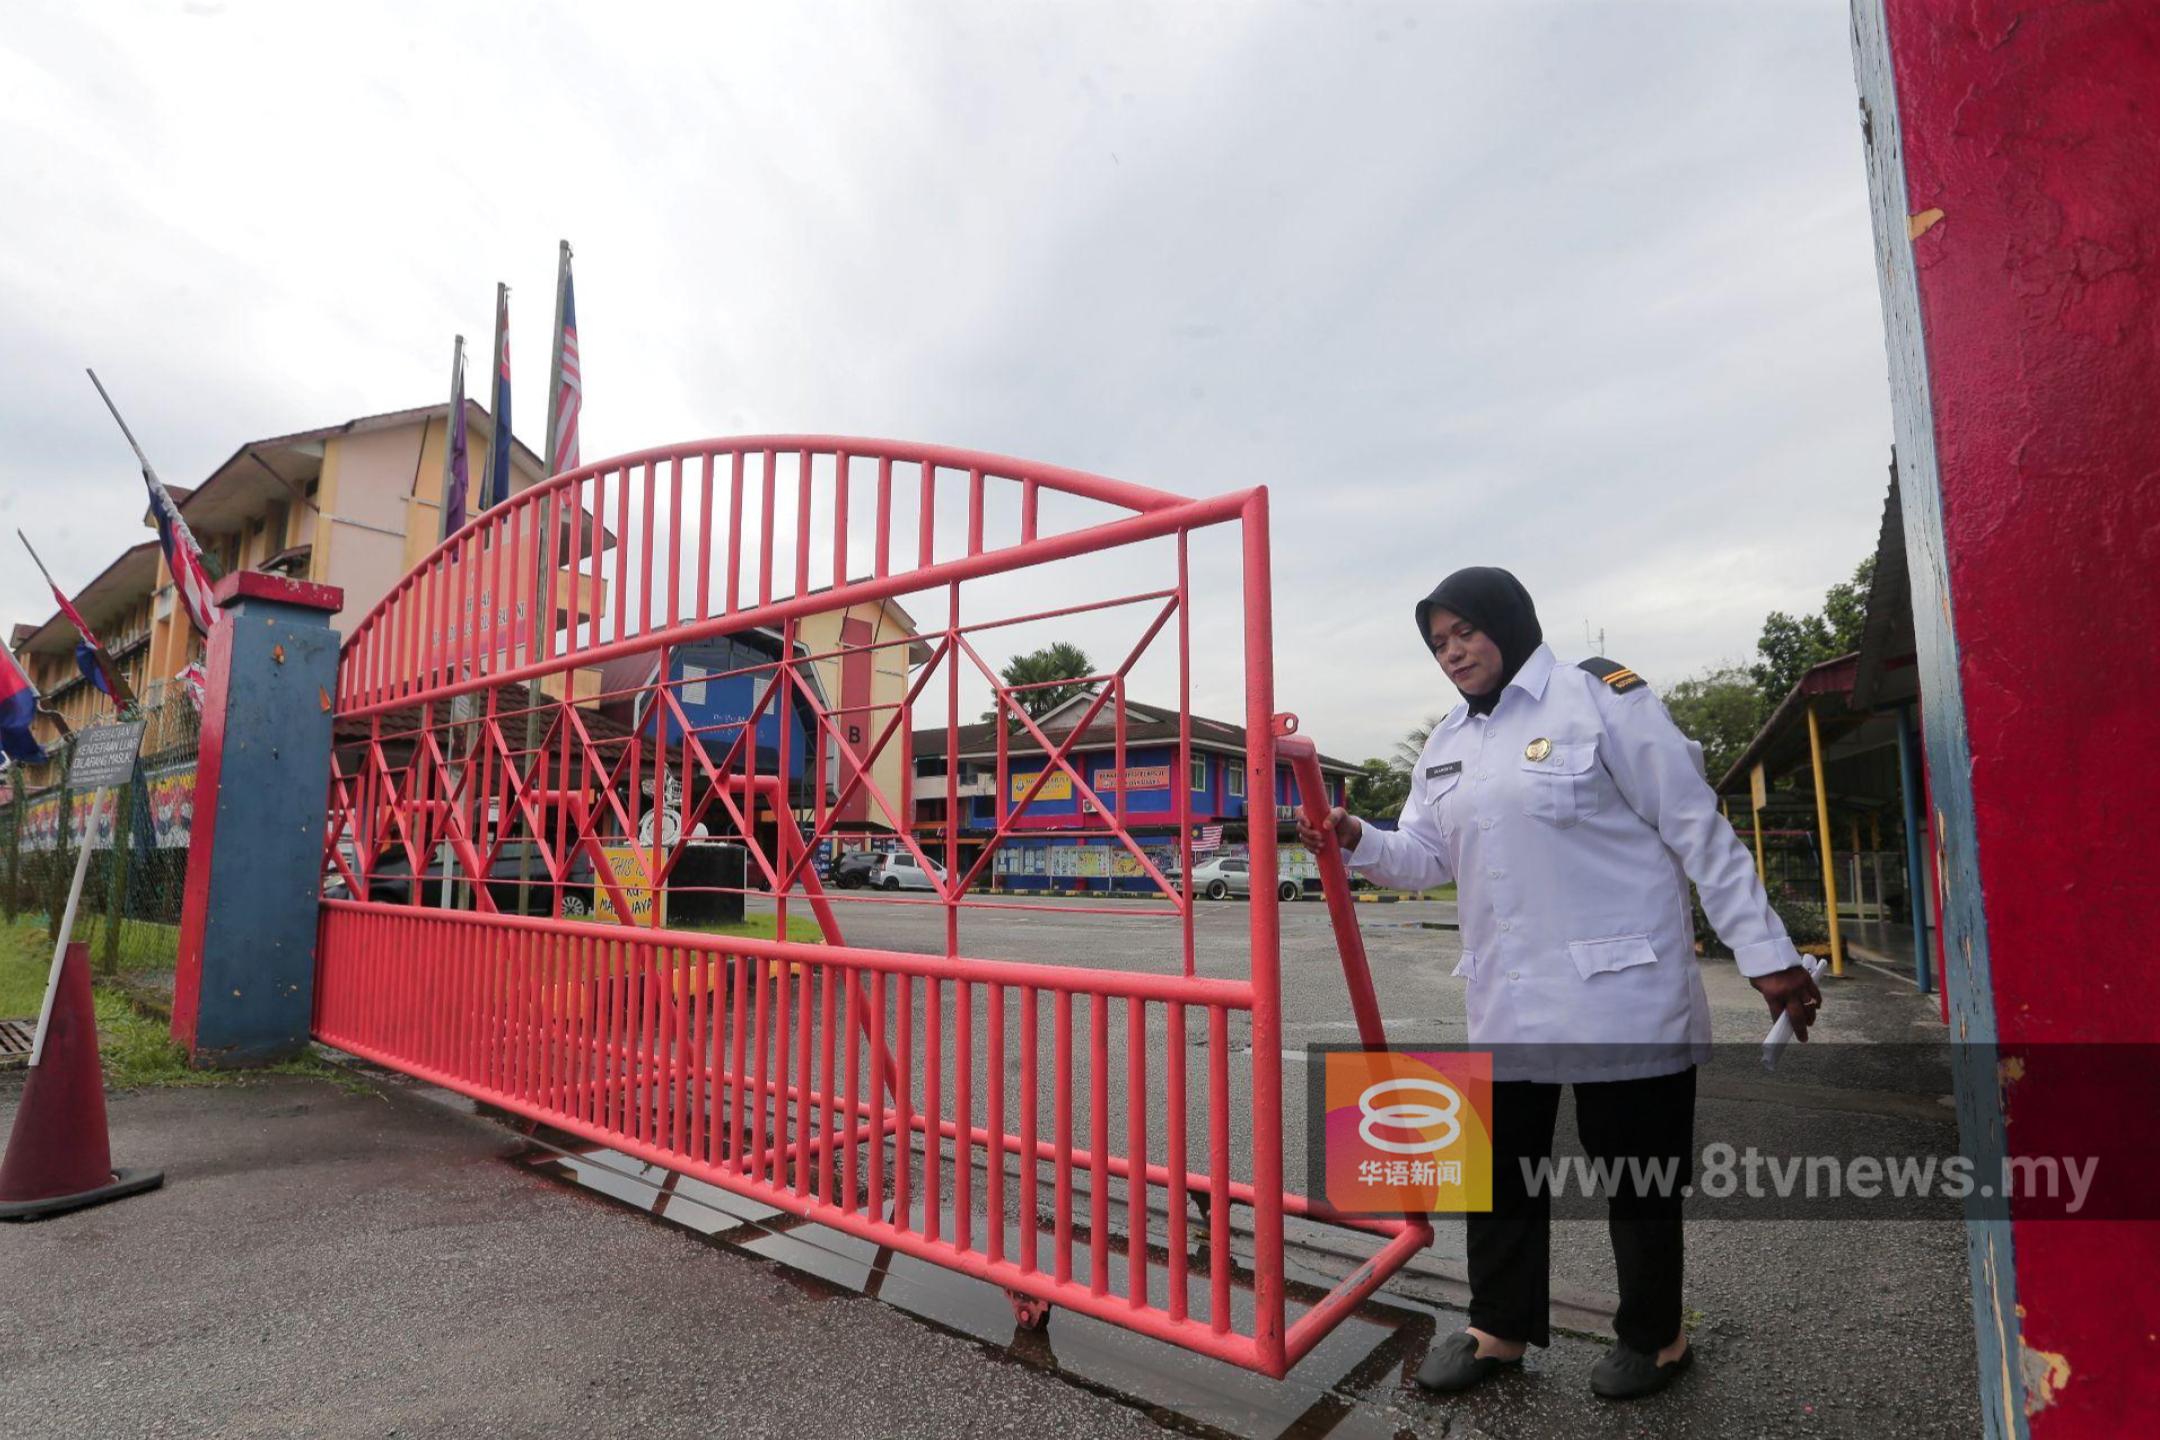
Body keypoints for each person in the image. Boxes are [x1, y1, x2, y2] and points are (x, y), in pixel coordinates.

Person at [1297, 566, 1822, 1402]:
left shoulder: (1602, 701)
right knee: (1501, 1174)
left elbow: (1695, 826)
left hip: (1624, 992)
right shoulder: (1447, 742)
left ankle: (1657, 1338)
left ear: (1510, 621)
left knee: (1637, 1173)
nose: (1452, 652)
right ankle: (1497, 1330)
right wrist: (1358, 834)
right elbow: (1426, 860)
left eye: (1464, 631)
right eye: (1437, 642)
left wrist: (1767, 954)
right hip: (1510, 998)